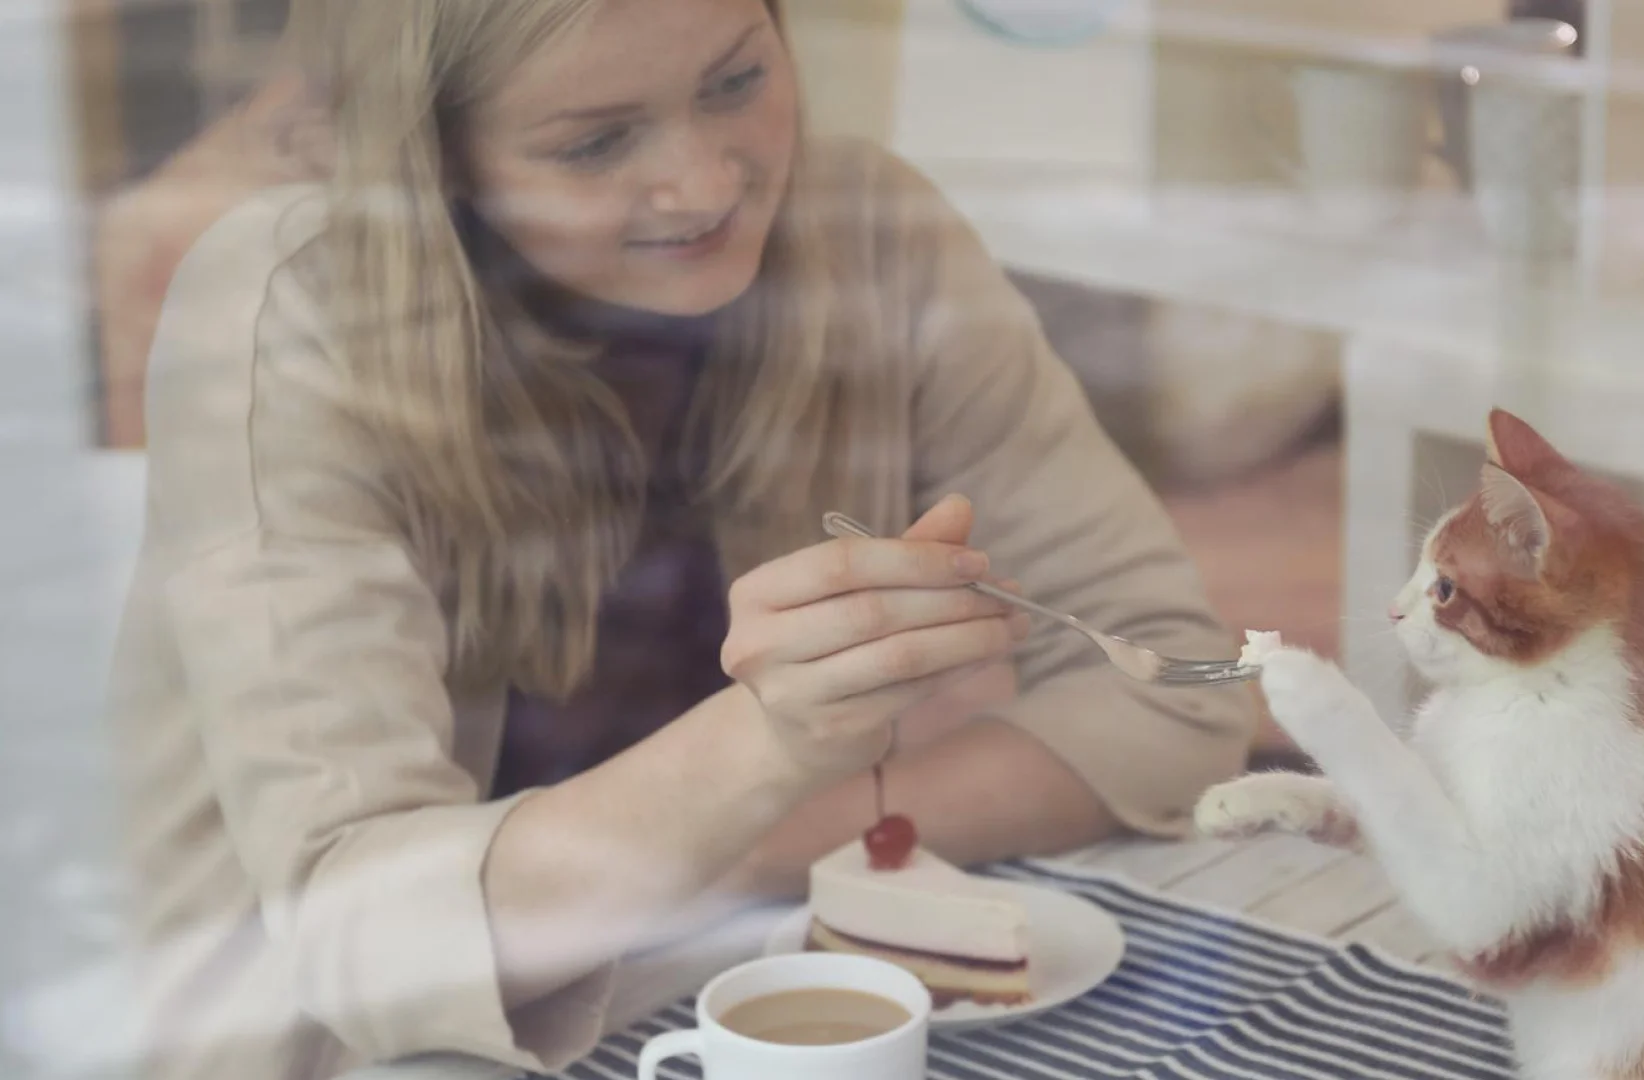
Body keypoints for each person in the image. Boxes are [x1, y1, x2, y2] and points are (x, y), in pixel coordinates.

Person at [103, 1, 1258, 1078]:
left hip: (726, 988)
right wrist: (768, 744)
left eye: (737, 80)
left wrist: (749, 836)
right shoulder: (290, 314)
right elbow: (363, 936)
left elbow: (1171, 688)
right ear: (441, 158)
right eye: (595, 143)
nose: (706, 182)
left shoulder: (873, 235)